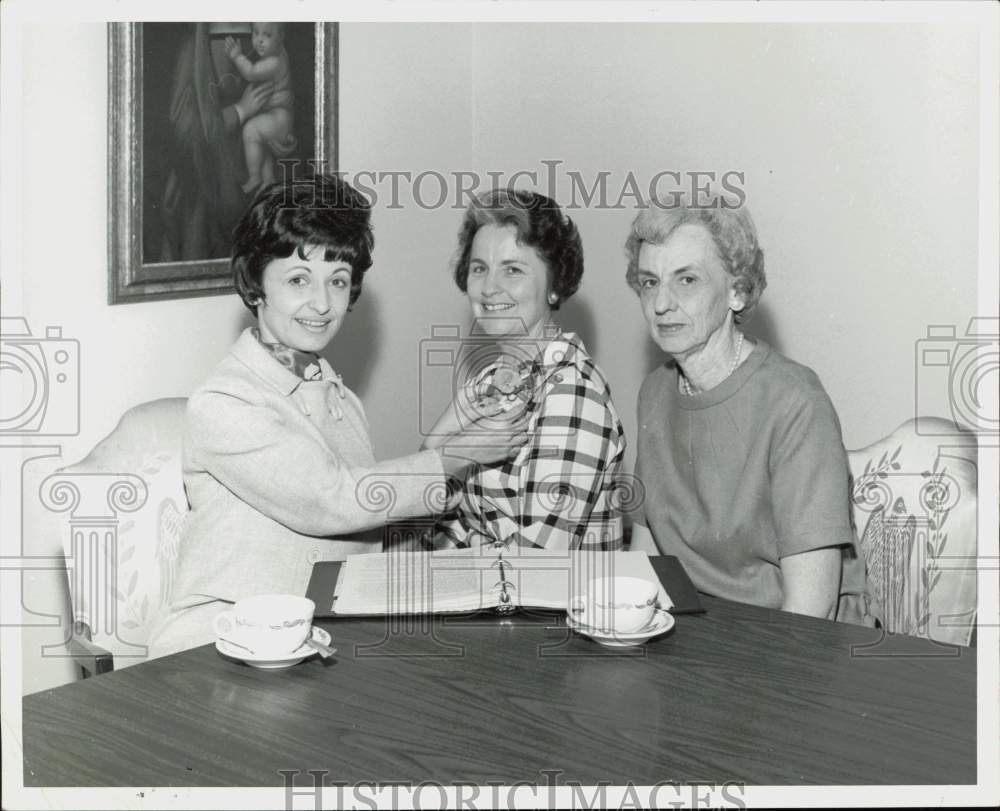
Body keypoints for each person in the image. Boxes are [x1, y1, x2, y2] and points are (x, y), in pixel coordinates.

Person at [148, 175, 527, 657]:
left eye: (339, 281)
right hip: (217, 640)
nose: (323, 304)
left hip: (312, 637)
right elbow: (330, 499)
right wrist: (455, 455)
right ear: (255, 283)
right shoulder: (225, 402)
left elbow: (363, 530)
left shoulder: (338, 397)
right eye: (298, 280)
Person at [625, 201, 876, 624]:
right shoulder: (655, 392)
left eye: (687, 279)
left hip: (800, 646)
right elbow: (645, 560)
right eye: (650, 282)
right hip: (696, 634)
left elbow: (811, 610)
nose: (662, 303)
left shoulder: (795, 402)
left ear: (737, 291)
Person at [427, 189, 627, 551]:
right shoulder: (487, 384)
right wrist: (436, 442)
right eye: (479, 268)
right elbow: (430, 519)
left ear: (555, 286)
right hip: (486, 598)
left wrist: (462, 541)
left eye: (513, 270)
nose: (489, 288)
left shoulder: (572, 393)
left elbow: (535, 562)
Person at [156, 23, 276, 263]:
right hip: (204, 189)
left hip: (252, 183)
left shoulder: (261, 42)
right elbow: (186, 130)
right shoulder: (194, 50)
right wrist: (240, 110)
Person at [225, 22, 297, 193]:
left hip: (279, 116)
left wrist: (237, 56)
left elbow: (251, 72)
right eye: (256, 33)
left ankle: (255, 177)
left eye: (267, 35)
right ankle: (268, 180)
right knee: (262, 147)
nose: (259, 40)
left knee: (251, 131)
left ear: (280, 37)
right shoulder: (275, 53)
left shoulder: (274, 62)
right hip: (278, 116)